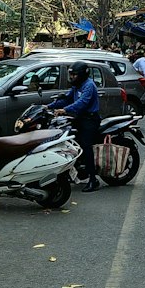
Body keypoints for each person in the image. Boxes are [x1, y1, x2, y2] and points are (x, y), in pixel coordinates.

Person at [48, 60, 101, 192]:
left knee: (85, 146)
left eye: (74, 75)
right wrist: (48, 106)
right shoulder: (77, 85)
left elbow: (82, 103)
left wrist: (64, 110)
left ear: (82, 75)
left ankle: (93, 180)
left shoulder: (89, 86)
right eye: (71, 75)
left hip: (90, 120)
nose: (71, 77)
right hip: (79, 118)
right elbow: (66, 98)